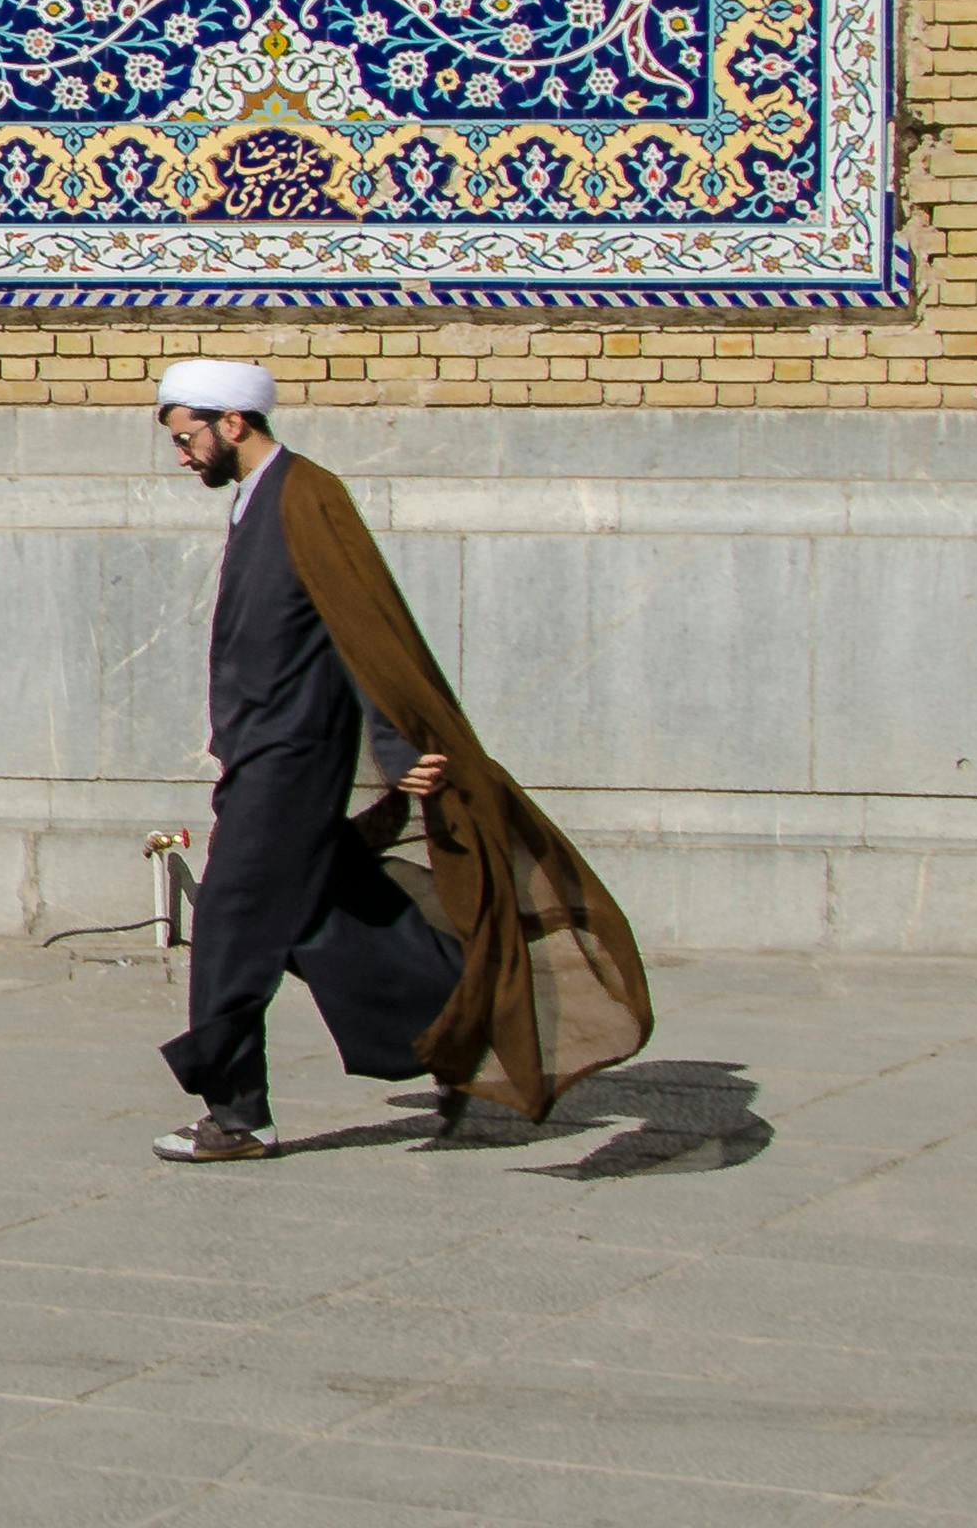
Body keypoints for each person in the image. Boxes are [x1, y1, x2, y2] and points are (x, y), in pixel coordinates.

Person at [148, 356, 654, 1163]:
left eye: (186, 437)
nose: (181, 455)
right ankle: (459, 1030)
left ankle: (238, 1117)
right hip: (261, 754)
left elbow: (366, 629)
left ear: (231, 423)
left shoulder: (308, 497)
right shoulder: (259, 499)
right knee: (324, 920)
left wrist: (400, 745)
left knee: (231, 930)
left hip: (290, 764)